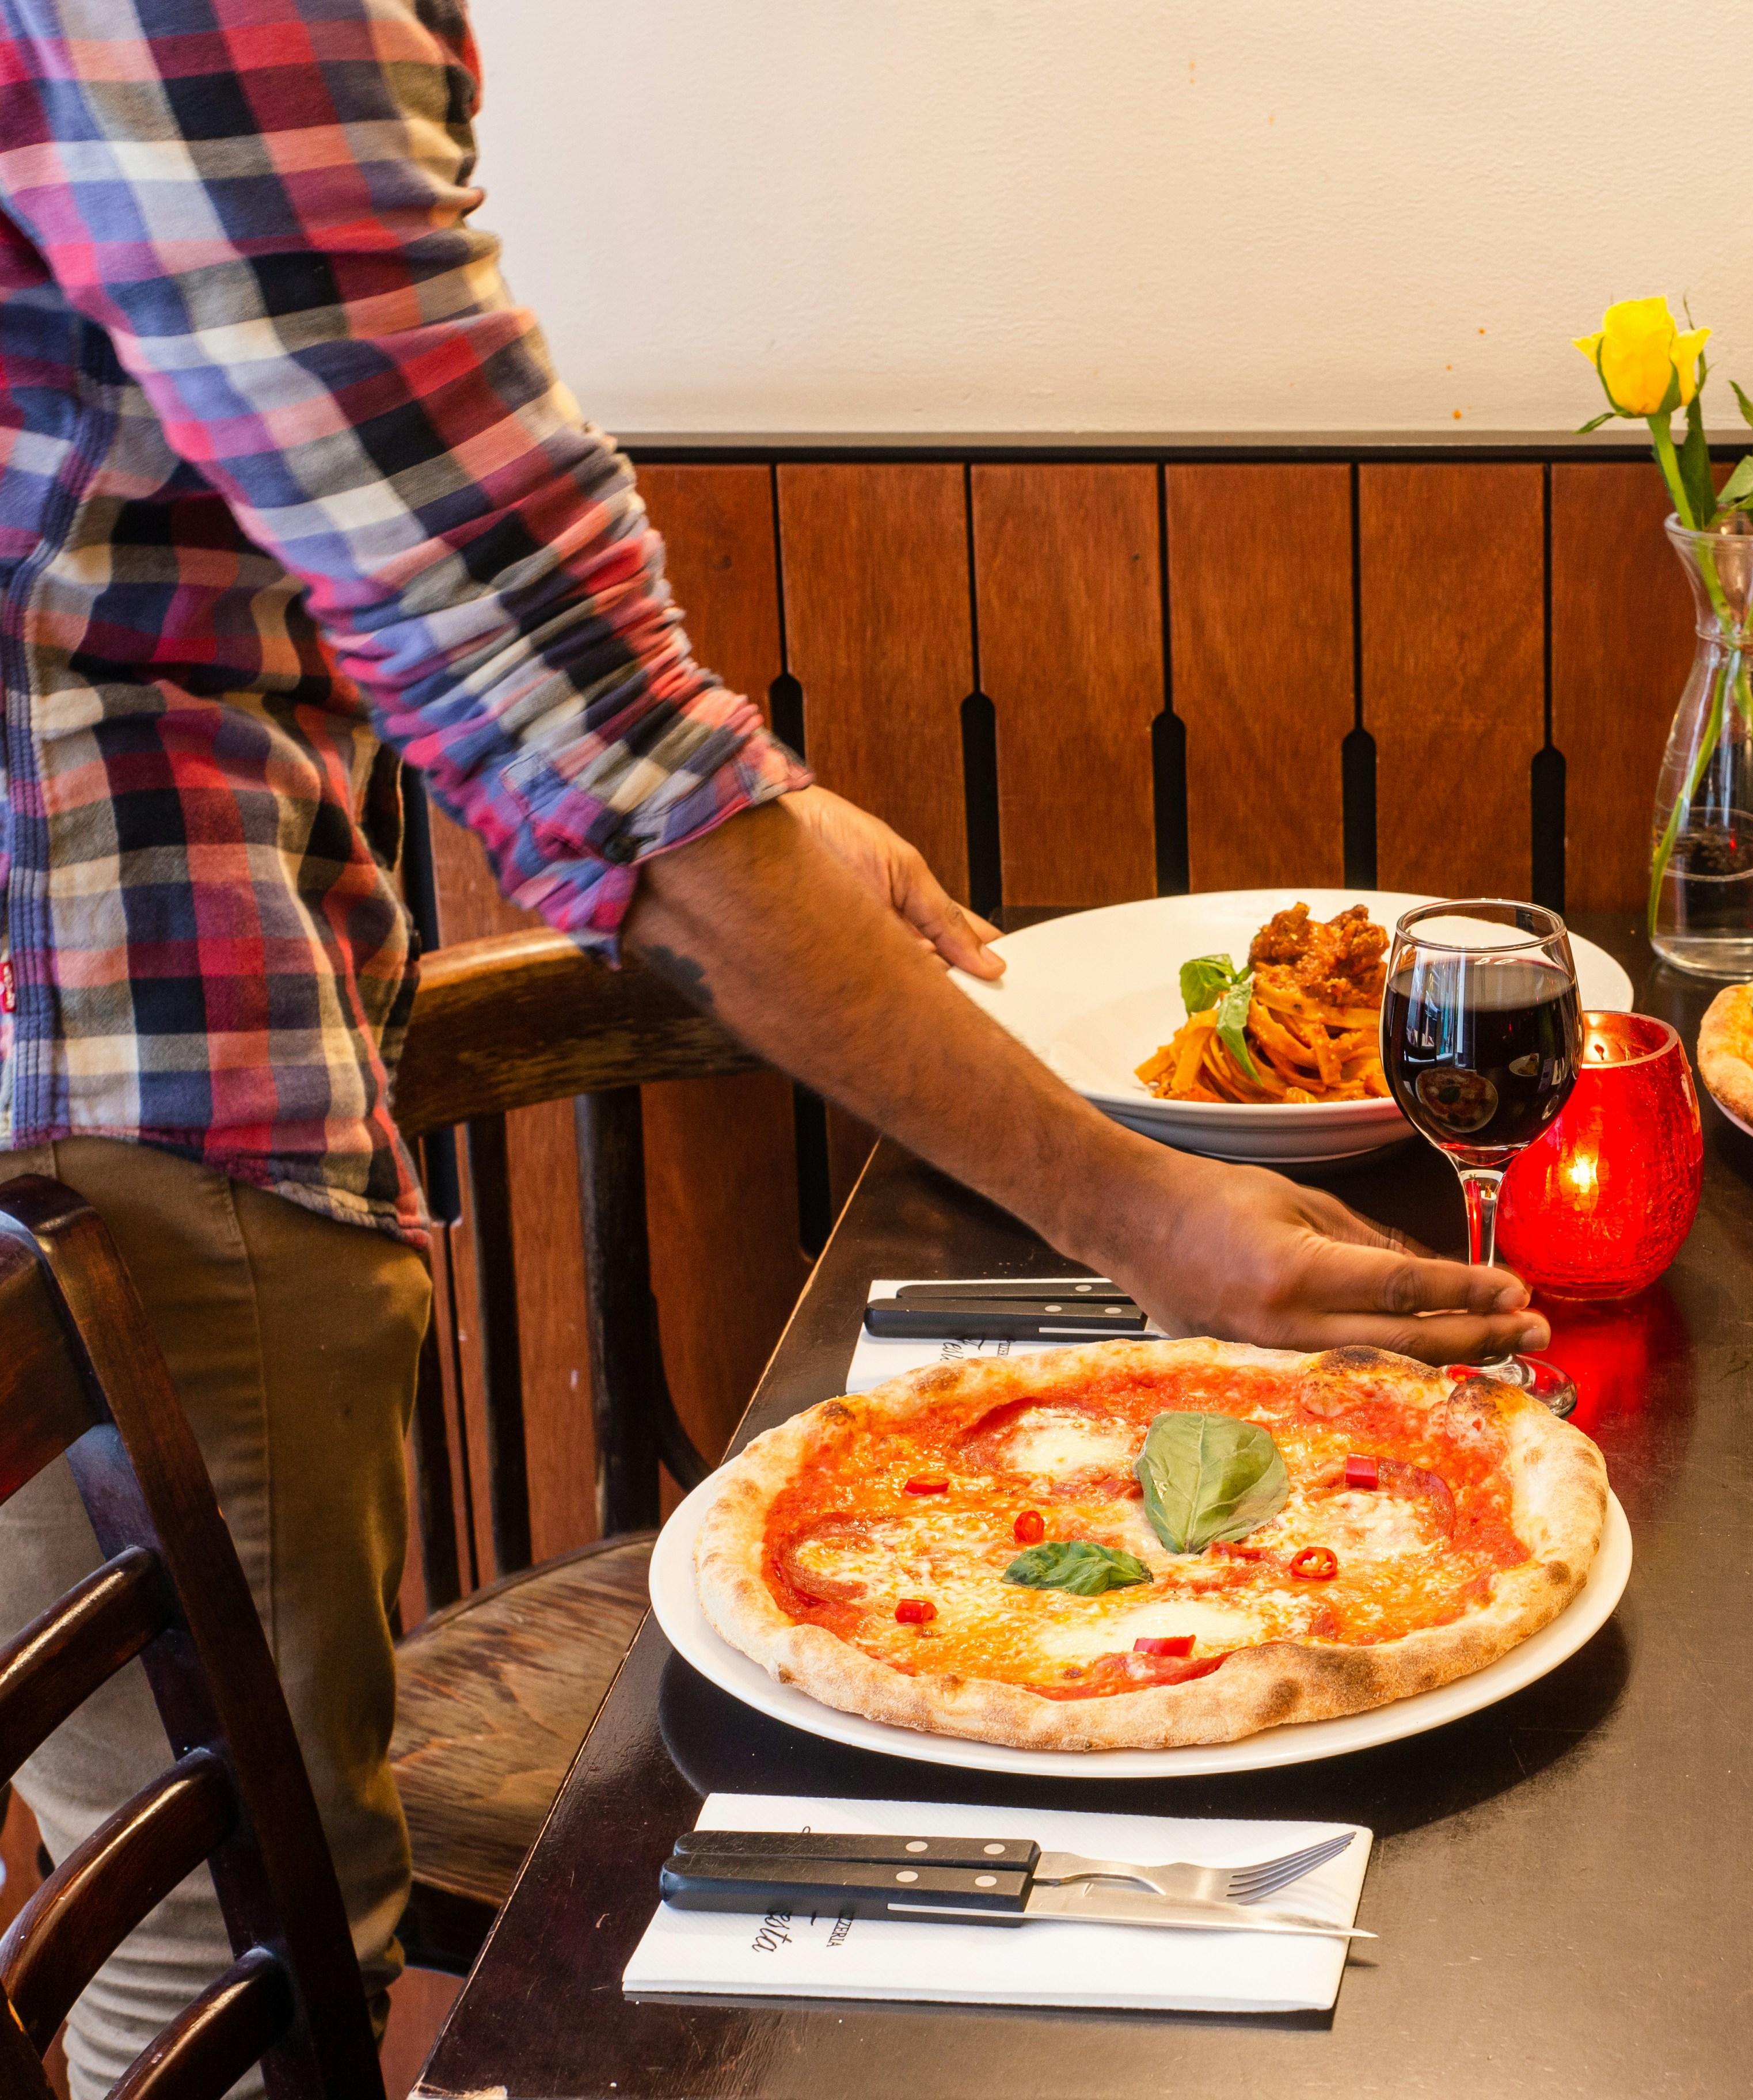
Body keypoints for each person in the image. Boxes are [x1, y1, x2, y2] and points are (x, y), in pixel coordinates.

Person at [0, 1, 1546, 2085]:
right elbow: (560, 705)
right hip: (128, 1076)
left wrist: (759, 810)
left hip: (94, 1051)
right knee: (232, 1997)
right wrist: (1148, 1222)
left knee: (172, 1940)